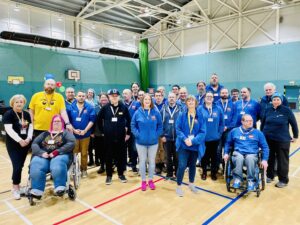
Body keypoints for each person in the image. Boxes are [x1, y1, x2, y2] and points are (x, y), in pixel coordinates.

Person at [29, 115, 75, 198]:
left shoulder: (66, 133)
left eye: (59, 122)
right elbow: (35, 143)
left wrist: (57, 151)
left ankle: (60, 187)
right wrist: (41, 153)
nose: (56, 123)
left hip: (60, 155)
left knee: (57, 162)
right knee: (36, 163)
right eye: (55, 122)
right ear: (52, 123)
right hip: (44, 156)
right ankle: (37, 190)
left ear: (62, 123)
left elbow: (71, 142)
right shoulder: (45, 134)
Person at [261, 93, 298, 188]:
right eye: (274, 99)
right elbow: (263, 123)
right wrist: (261, 135)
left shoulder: (286, 110)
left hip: (282, 140)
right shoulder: (268, 110)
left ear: (281, 100)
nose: (276, 101)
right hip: (268, 139)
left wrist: (295, 136)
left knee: (282, 160)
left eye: (278, 99)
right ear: (271, 101)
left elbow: (294, 124)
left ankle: (283, 179)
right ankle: (270, 175)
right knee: (270, 158)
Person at [224, 114, 269, 191]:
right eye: (248, 121)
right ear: (242, 121)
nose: (250, 122)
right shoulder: (234, 131)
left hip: (252, 154)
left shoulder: (258, 133)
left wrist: (264, 160)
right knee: (239, 157)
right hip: (238, 153)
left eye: (251, 120)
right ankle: (237, 179)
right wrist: (226, 153)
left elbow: (265, 147)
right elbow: (228, 143)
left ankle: (251, 181)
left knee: (250, 158)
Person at [98, 89, 131, 185]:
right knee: (108, 156)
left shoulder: (123, 107)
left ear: (119, 97)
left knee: (121, 156)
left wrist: (128, 133)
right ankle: (109, 175)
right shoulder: (105, 108)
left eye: (116, 96)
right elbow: (99, 120)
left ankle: (121, 174)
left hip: (121, 137)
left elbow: (129, 121)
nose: (114, 97)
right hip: (108, 138)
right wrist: (102, 132)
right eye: (112, 96)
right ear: (109, 97)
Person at [3, 95, 33, 200]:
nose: (19, 104)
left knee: (20, 166)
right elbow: (8, 129)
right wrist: (19, 140)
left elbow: (31, 127)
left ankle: (18, 186)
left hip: (25, 144)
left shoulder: (26, 114)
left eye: (21, 102)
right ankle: (15, 188)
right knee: (17, 166)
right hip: (13, 145)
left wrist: (28, 139)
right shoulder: (8, 114)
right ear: (13, 103)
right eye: (17, 102)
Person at [175, 95, 206, 197]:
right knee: (182, 165)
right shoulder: (182, 114)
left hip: (195, 145)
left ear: (196, 103)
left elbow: (203, 131)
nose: (191, 102)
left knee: (193, 165)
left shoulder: (200, 115)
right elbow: (178, 129)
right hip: (183, 145)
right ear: (186, 103)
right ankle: (179, 186)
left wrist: (193, 141)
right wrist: (185, 139)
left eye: (193, 100)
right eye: (189, 101)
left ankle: (191, 184)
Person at [131, 94, 163, 191]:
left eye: (149, 99)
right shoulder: (137, 112)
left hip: (153, 143)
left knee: (152, 162)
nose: (147, 101)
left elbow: (160, 125)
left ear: (151, 101)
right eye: (145, 99)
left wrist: (156, 135)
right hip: (141, 143)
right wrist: (138, 135)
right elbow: (133, 125)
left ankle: (150, 180)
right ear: (142, 101)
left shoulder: (155, 112)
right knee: (142, 161)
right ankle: (143, 181)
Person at [67, 91, 96, 177]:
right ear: (76, 97)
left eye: (83, 96)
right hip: (73, 135)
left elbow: (92, 120)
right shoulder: (70, 107)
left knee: (84, 153)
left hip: (85, 135)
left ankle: (84, 170)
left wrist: (85, 130)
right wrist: (74, 130)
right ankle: (74, 170)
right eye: (79, 96)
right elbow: (68, 121)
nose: (81, 97)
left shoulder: (90, 107)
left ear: (85, 97)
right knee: (74, 153)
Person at [198, 92, 224, 180]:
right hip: (203, 138)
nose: (209, 98)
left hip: (215, 138)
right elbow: (196, 123)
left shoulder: (218, 109)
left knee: (214, 157)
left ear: (213, 98)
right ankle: (204, 172)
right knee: (204, 156)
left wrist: (219, 133)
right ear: (204, 98)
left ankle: (213, 172)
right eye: (207, 96)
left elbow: (222, 123)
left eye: (211, 96)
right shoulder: (200, 109)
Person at [161, 93, 181, 179]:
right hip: (166, 138)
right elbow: (160, 124)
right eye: (170, 97)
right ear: (167, 99)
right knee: (168, 157)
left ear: (176, 98)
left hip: (177, 138)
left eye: (173, 97)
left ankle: (177, 173)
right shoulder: (163, 109)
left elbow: (183, 124)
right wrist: (162, 136)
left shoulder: (181, 109)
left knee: (177, 157)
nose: (171, 99)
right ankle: (169, 173)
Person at [216, 88, 236, 171]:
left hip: (229, 131)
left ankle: (226, 167)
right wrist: (220, 127)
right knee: (218, 149)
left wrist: (227, 127)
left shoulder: (233, 104)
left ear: (228, 94)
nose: (224, 94)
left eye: (226, 93)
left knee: (227, 149)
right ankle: (216, 167)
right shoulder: (216, 104)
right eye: (222, 93)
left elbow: (234, 119)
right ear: (220, 94)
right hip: (218, 131)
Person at [122, 89, 139, 173]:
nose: (124, 95)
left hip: (133, 129)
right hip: (123, 130)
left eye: (126, 93)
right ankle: (123, 165)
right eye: (123, 93)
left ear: (131, 94)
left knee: (133, 148)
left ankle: (134, 165)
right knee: (123, 148)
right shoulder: (121, 104)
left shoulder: (137, 104)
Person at [95, 93, 109, 174]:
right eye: (102, 98)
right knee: (100, 151)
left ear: (108, 99)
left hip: (109, 133)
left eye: (105, 98)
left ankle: (109, 166)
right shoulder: (96, 108)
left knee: (109, 151)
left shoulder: (111, 108)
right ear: (99, 100)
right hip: (98, 133)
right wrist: (92, 132)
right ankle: (102, 166)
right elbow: (93, 120)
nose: (103, 100)